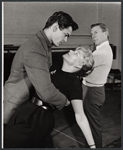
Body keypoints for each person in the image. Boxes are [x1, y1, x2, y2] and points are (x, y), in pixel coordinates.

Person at [4, 46, 96, 148]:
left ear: (79, 65)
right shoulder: (53, 68)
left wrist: (92, 145)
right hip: (26, 108)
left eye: (76, 53)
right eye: (74, 50)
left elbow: (80, 116)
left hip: (39, 118)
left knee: (6, 140)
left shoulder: (73, 82)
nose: (70, 51)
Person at [4, 11, 78, 124]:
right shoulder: (36, 48)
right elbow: (46, 92)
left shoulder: (44, 44)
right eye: (66, 35)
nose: (66, 40)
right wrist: (65, 101)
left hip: (22, 102)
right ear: (55, 27)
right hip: (13, 105)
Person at [82, 23, 113, 148]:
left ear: (105, 33)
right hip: (91, 89)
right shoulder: (101, 49)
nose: (93, 36)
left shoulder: (101, 53)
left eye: (96, 32)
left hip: (93, 92)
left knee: (93, 128)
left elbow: (81, 66)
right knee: (89, 125)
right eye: (91, 33)